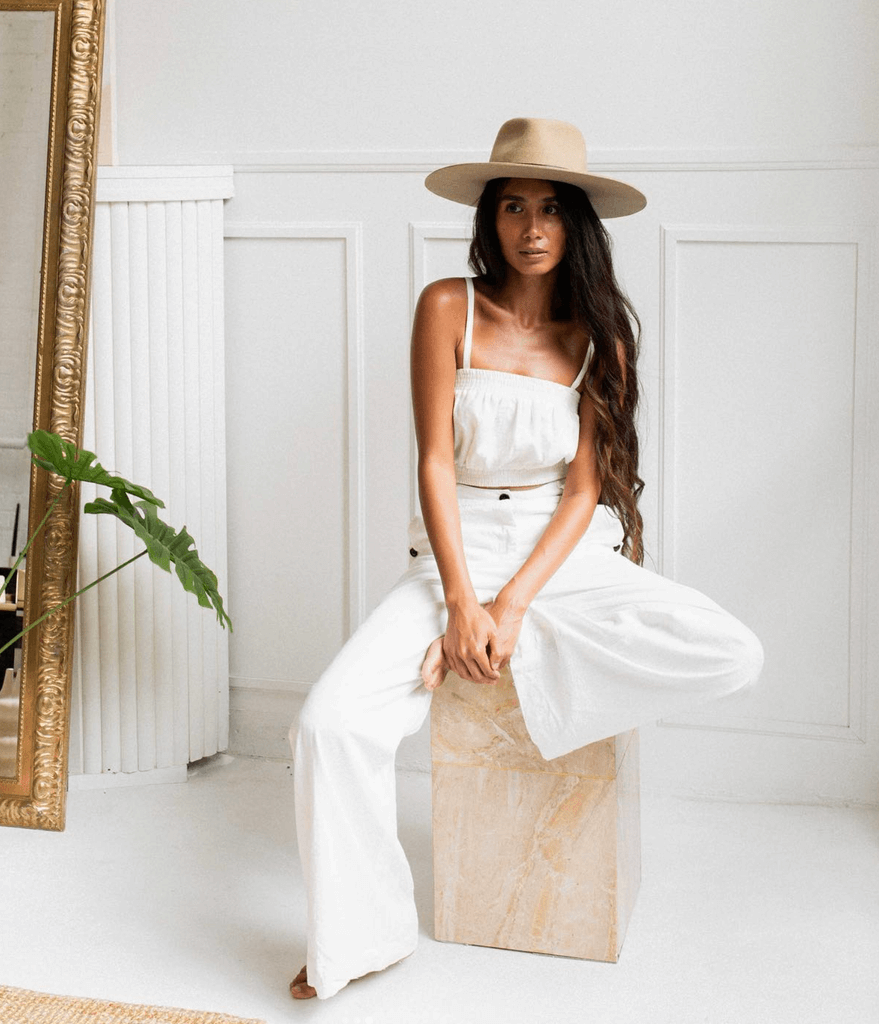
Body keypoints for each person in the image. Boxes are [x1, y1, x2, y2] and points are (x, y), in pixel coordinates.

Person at [287, 118, 763, 1001]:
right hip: (455, 549)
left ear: (577, 222)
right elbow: (433, 461)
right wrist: (462, 603)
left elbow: (583, 492)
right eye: (513, 207)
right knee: (327, 723)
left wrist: (512, 613)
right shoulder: (447, 306)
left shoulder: (599, 338)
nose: (532, 227)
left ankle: (533, 655)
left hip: (559, 550)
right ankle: (360, 936)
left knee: (732, 649)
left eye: (550, 208)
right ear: (490, 219)